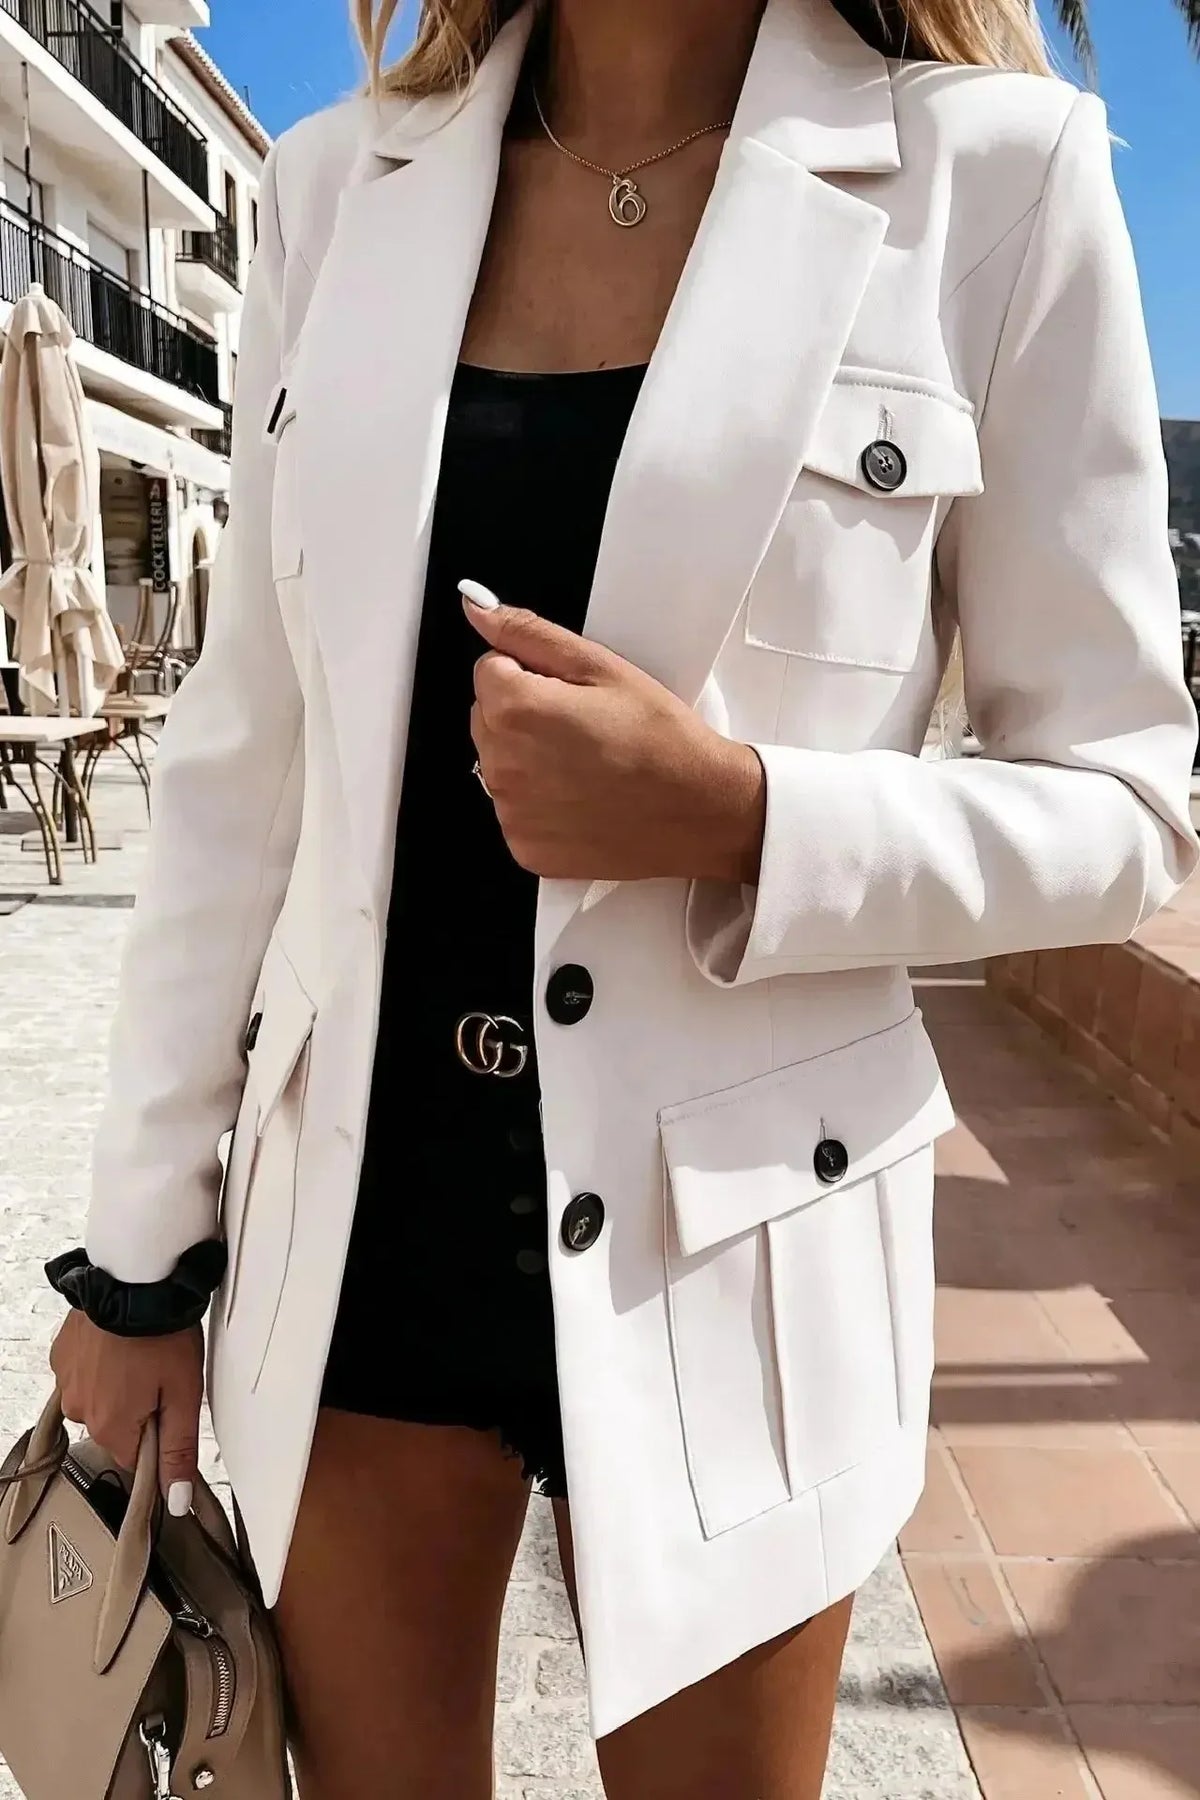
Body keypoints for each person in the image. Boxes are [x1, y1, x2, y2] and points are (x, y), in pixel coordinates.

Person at [46, 0, 1199, 1794]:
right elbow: (239, 774)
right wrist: (135, 1268)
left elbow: (1126, 807)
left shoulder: (993, 180)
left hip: (744, 1257)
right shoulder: (337, 189)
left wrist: (747, 816)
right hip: (353, 1243)